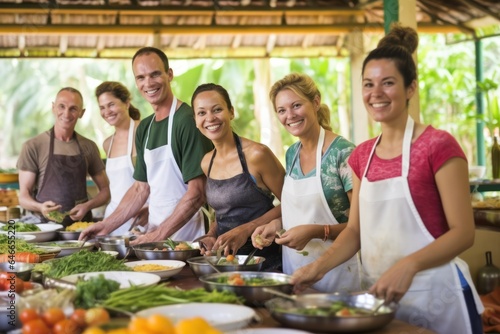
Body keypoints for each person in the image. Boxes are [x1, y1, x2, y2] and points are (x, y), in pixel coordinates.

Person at [289, 24, 484, 334]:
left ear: (410, 88)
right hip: (380, 299)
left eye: (388, 83)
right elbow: (354, 231)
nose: (375, 93)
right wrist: (314, 269)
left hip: (438, 295)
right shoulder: (362, 156)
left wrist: (408, 265)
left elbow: (463, 233)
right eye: (368, 84)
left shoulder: (438, 146)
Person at [80, 47, 213, 245]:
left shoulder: (187, 121)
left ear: (169, 74)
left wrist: (158, 235)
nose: (148, 83)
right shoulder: (146, 128)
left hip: (189, 238)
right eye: (141, 77)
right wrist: (107, 225)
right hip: (156, 235)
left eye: (155, 74)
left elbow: (197, 193)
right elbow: (140, 189)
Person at [251, 73, 360, 292]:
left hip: (338, 274)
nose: (289, 115)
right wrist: (276, 226)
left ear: (316, 102)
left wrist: (317, 232)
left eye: (296, 105)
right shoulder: (292, 153)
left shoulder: (343, 153)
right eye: (281, 110)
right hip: (295, 272)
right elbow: (297, 211)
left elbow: (362, 227)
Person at [191, 83, 285, 271]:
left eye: (217, 110)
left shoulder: (257, 155)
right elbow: (224, 212)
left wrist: (247, 229)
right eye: (201, 113)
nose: (210, 118)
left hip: (267, 263)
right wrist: (211, 234)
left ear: (231, 112)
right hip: (228, 264)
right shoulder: (207, 162)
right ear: (195, 119)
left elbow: (291, 203)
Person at [17, 87, 110, 226]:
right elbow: (23, 197)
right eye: (61, 106)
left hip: (80, 231)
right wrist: (40, 207)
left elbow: (105, 191)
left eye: (73, 109)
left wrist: (87, 206)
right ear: (53, 108)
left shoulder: (89, 147)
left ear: (81, 113)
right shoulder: (33, 146)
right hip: (44, 228)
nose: (66, 114)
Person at [95, 81, 148, 235]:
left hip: (141, 218)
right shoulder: (107, 144)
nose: (107, 111)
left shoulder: (144, 131)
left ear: (126, 103)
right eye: (102, 107)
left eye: (111, 104)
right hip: (113, 220)